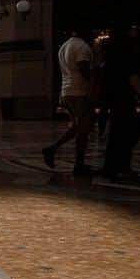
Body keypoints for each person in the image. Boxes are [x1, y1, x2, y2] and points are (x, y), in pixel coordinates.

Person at [100, 23, 140, 181]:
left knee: (118, 131)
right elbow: (131, 76)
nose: (135, 30)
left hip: (113, 95)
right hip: (122, 96)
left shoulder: (111, 50)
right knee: (130, 130)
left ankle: (113, 167)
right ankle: (120, 167)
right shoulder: (126, 50)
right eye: (132, 28)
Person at [42, 29, 94, 174]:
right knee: (83, 128)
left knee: (78, 127)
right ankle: (79, 164)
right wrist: (94, 85)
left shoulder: (65, 46)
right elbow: (83, 68)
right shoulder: (82, 47)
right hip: (78, 92)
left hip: (67, 91)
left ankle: (51, 150)